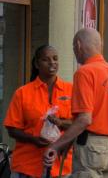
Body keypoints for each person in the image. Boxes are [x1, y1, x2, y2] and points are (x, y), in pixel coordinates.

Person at [43, 29, 108, 178]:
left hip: (92, 146)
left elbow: (85, 119)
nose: (74, 51)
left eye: (74, 47)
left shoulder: (85, 72)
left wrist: (56, 145)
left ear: (78, 45)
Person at [4, 45, 73, 178]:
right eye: (46, 60)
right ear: (36, 64)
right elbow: (12, 129)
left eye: (55, 58)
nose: (52, 63)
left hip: (62, 167)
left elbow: (80, 123)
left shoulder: (71, 90)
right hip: (28, 165)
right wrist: (33, 139)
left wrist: (61, 122)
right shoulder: (22, 93)